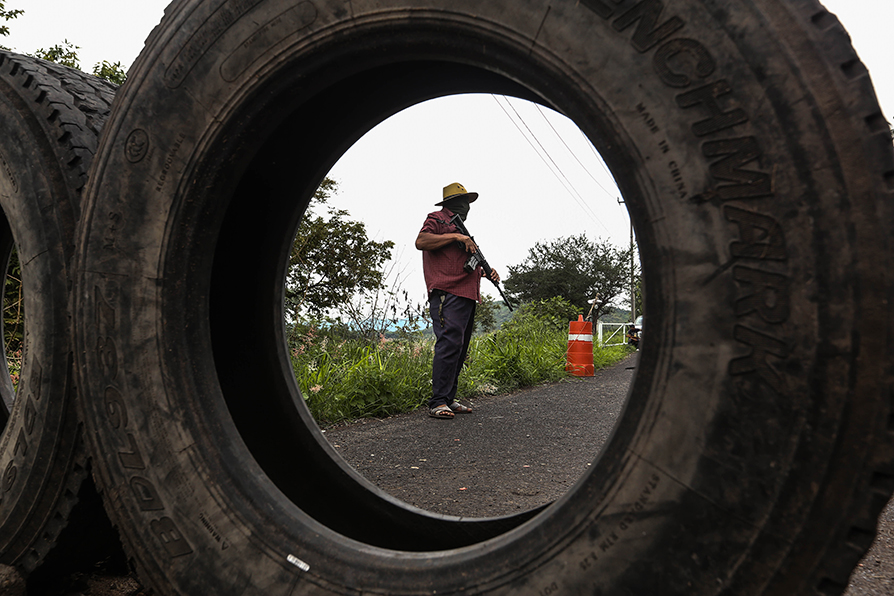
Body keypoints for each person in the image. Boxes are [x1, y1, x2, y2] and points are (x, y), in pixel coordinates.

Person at [415, 182, 500, 419]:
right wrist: (455, 236)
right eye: (463, 203)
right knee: (448, 344)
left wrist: (487, 271)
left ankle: (449, 399)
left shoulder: (462, 229)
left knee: (459, 348)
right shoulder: (438, 219)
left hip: (467, 295)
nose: (467, 208)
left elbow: (464, 263)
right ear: (452, 203)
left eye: (468, 204)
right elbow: (421, 242)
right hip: (447, 292)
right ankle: (437, 402)